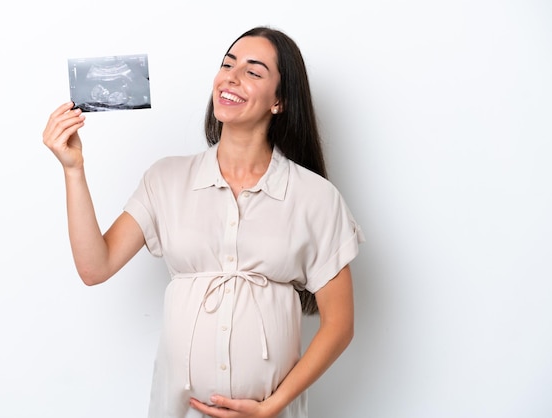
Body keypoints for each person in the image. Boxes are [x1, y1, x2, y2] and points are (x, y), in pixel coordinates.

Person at [43, 26, 364, 418]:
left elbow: (339, 324)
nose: (231, 76)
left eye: (253, 71)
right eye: (227, 64)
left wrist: (274, 406)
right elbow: (96, 267)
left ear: (279, 101)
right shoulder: (166, 179)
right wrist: (73, 170)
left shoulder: (315, 197)